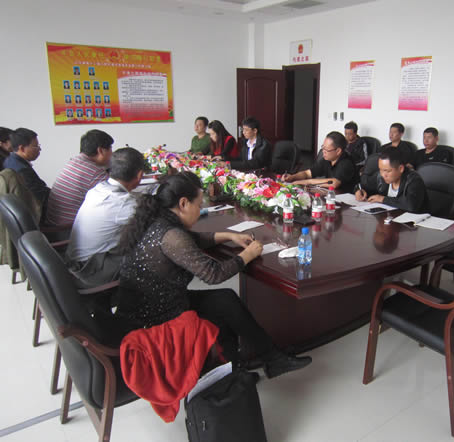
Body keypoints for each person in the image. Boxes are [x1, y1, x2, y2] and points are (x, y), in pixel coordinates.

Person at [115, 172, 312, 378]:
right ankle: (249, 366)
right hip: (153, 318)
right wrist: (247, 255)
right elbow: (213, 274)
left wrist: (229, 236)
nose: (200, 209)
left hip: (155, 302)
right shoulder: (171, 235)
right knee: (222, 306)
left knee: (225, 300)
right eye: (199, 204)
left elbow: (192, 239)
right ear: (183, 203)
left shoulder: (158, 220)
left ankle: (249, 365)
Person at [66, 147, 144, 288]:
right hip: (90, 272)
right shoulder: (123, 203)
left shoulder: (98, 188)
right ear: (139, 175)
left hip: (76, 263)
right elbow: (156, 219)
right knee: (152, 248)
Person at [45, 129, 113, 226]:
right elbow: (115, 198)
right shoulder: (95, 172)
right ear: (100, 150)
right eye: (110, 148)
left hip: (53, 222)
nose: (112, 153)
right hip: (68, 228)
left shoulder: (74, 161)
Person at [355, 146, 428, 212]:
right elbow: (362, 185)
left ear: (400, 169)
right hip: (388, 217)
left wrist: (383, 199)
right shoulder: (380, 177)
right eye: (380, 169)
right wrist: (359, 191)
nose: (383, 174)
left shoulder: (414, 180)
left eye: (387, 171)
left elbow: (411, 205)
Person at [282, 131, 358, 193]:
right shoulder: (327, 159)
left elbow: (334, 183)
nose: (323, 151)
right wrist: (293, 177)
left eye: (326, 149)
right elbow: (308, 173)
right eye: (323, 147)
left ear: (338, 151)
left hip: (348, 200)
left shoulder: (346, 163)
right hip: (331, 195)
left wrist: (306, 182)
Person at [5, 128, 50, 212]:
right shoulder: (23, 170)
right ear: (22, 148)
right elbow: (41, 196)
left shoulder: (9, 160)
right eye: (36, 146)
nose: (39, 149)